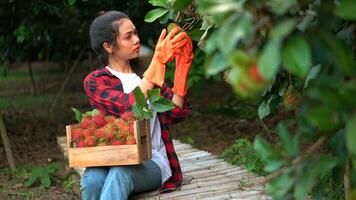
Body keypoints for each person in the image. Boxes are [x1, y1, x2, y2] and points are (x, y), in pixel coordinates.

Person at [80, 10, 193, 200]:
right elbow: (128, 105)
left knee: (121, 173)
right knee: (91, 181)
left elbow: (175, 114)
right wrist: (157, 64)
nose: (137, 40)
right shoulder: (95, 81)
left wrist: (182, 67)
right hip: (110, 158)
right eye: (128, 36)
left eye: (136, 33)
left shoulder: (146, 76)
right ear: (108, 46)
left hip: (152, 161)